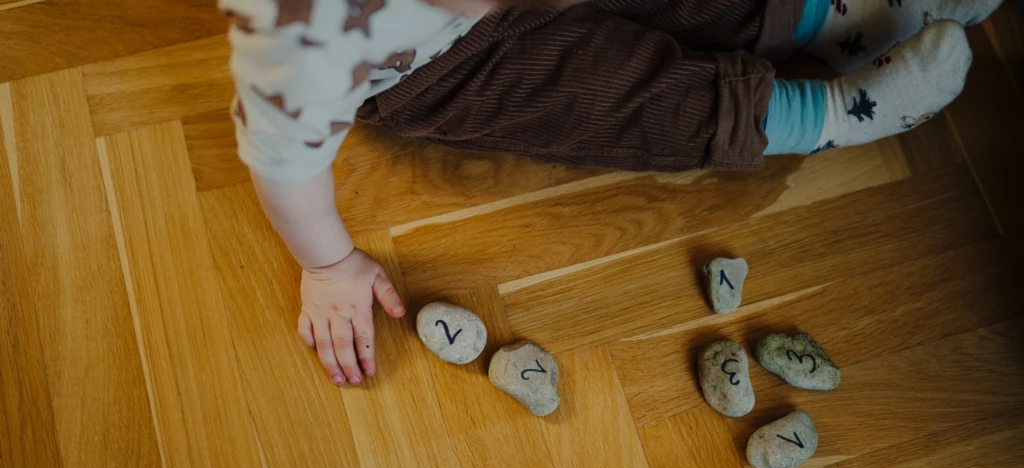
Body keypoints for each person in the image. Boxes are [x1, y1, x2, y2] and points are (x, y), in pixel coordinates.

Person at [220, 0, 1000, 385]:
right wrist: (328, 264)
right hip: (434, 64)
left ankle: (837, 18)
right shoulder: (299, 38)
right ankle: (822, 115)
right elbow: (283, 166)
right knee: (608, 95)